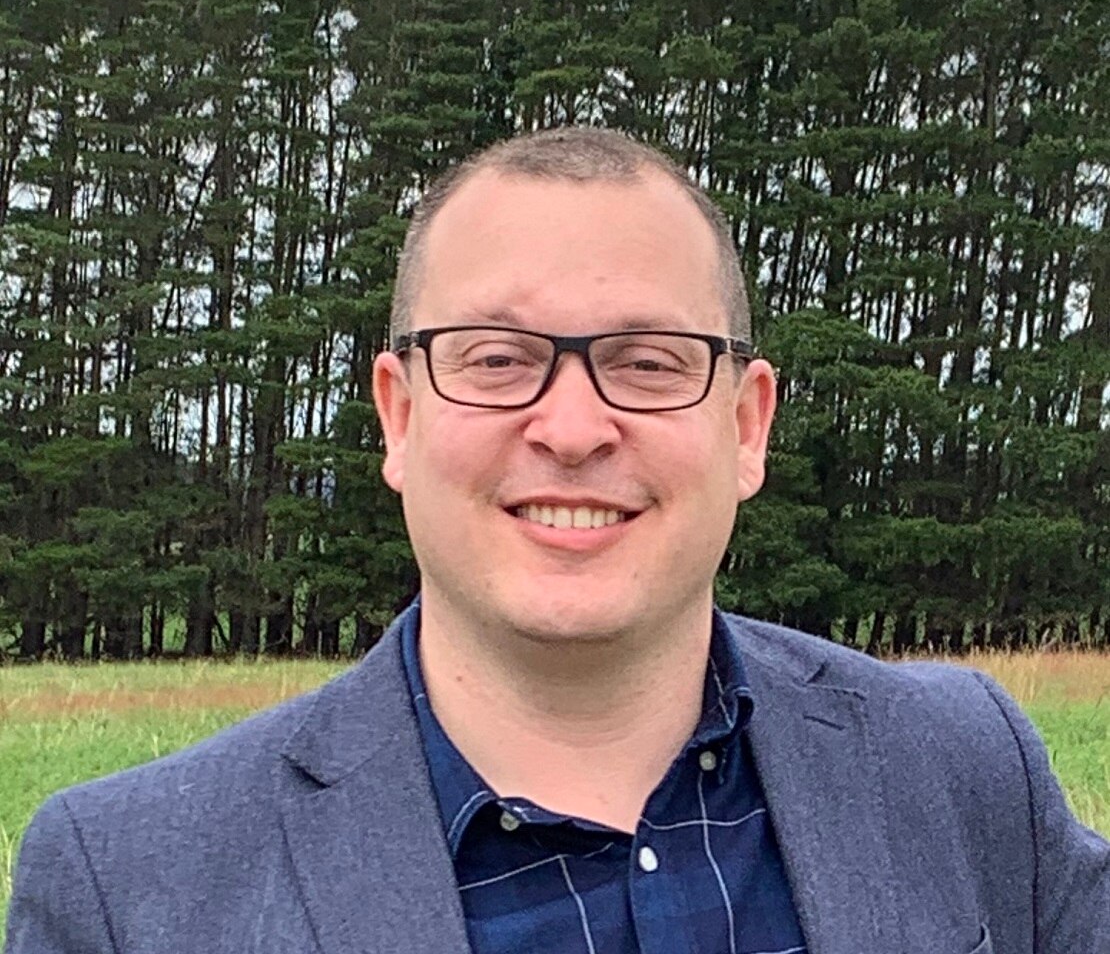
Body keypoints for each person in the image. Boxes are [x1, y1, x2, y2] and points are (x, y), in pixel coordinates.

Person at [6, 127, 1108, 954]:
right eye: (495, 359)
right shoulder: (127, 889)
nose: (573, 429)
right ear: (399, 416)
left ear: (747, 426)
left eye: (649, 362)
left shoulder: (964, 771)